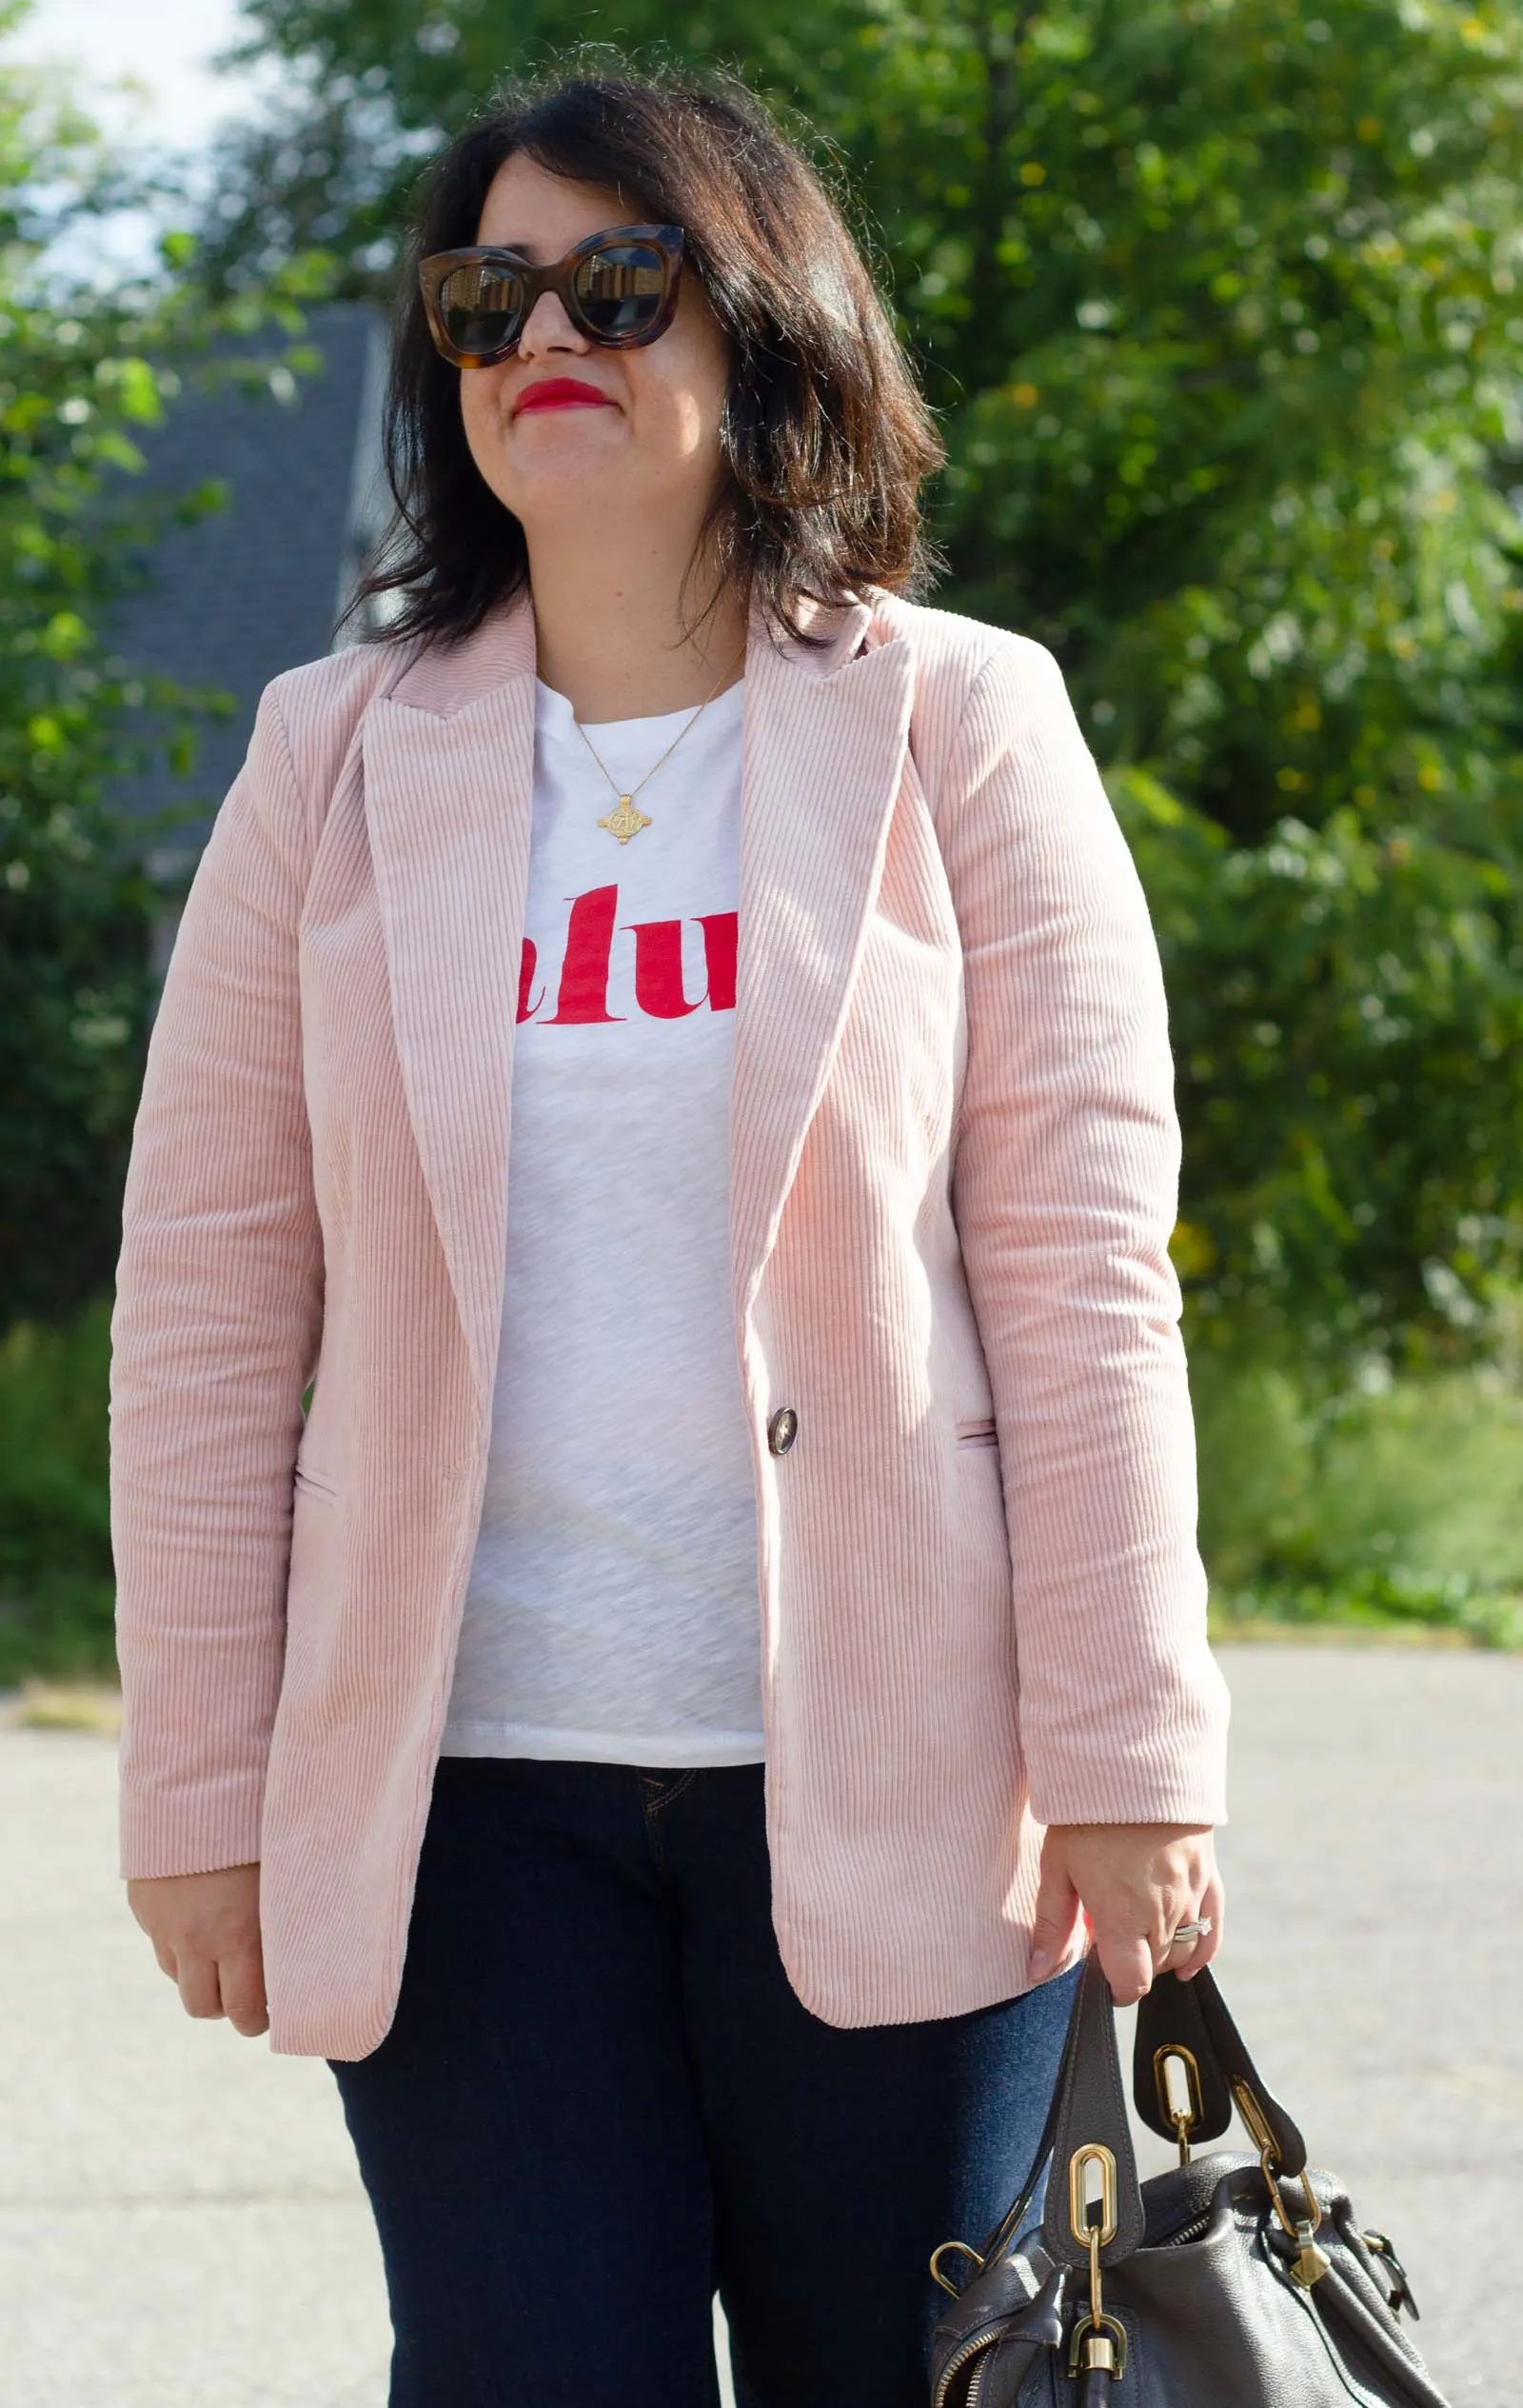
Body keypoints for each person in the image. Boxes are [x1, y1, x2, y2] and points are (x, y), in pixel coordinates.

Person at [110, 66, 1229, 2408]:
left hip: (906, 1780)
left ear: (765, 335)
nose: (544, 335)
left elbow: (1080, 1269)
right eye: (484, 293)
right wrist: (197, 1788)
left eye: (617, 284)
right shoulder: (328, 756)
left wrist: (1132, 1754)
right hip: (462, 1804)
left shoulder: (956, 723)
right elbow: (210, 1302)